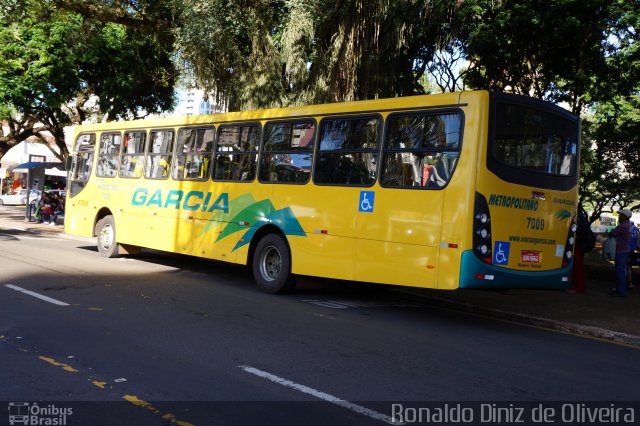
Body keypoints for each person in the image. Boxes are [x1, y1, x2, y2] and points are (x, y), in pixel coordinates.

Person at [608, 209, 634, 297]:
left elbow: (612, 234)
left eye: (621, 215)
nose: (619, 216)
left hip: (621, 251)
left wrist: (609, 232)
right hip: (626, 250)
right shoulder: (629, 225)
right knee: (623, 271)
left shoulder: (622, 226)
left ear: (625, 217)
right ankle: (621, 289)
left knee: (620, 272)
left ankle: (621, 291)